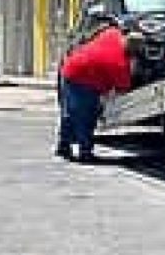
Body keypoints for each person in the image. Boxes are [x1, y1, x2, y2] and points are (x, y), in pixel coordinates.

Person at [55, 27, 143, 162]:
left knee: (69, 113)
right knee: (86, 117)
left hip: (69, 69)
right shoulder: (119, 63)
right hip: (84, 81)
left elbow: (104, 30)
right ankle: (85, 152)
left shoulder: (113, 34)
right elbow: (122, 89)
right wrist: (133, 68)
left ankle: (63, 146)